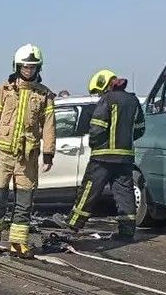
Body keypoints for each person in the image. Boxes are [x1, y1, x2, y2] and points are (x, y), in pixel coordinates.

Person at [0, 44, 56, 258]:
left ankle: (18, 242)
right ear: (17, 66)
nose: (29, 70)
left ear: (38, 68)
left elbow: (50, 126)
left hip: (27, 158)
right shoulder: (4, 90)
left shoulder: (45, 95)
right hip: (2, 157)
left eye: (33, 67)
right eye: (25, 66)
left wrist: (49, 153)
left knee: (24, 202)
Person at [62, 69, 146, 239]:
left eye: (99, 91)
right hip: (125, 157)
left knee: (89, 190)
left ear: (104, 85)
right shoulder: (133, 100)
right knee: (125, 193)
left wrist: (94, 143)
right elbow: (140, 129)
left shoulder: (107, 99)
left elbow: (97, 127)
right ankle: (127, 230)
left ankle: (73, 224)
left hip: (103, 157)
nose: (99, 94)